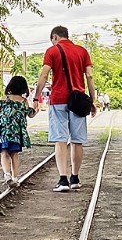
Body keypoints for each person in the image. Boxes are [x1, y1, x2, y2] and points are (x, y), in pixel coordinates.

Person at [33, 25, 96, 192]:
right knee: (77, 140)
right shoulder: (82, 51)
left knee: (60, 140)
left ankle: (63, 180)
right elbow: (89, 75)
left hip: (58, 100)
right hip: (78, 101)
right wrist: (92, 100)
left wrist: (36, 97)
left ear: (55, 37)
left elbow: (44, 75)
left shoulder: (52, 51)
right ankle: (75, 178)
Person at [0, 75, 36, 188]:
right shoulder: (23, 101)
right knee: (14, 153)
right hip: (16, 131)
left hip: (3, 129)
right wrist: (35, 109)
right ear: (23, 88)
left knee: (4, 152)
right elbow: (30, 114)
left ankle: (7, 174)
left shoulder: (4, 98)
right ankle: (15, 178)